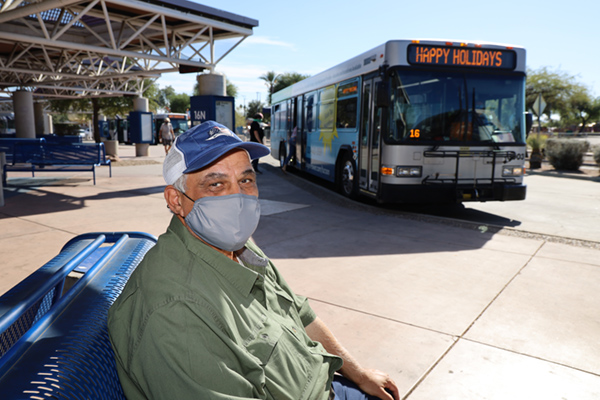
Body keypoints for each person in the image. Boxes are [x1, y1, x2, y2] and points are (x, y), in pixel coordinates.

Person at [107, 120, 399, 400]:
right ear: (175, 200)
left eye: (246, 179)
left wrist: (358, 374)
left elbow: (299, 312)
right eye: (216, 185)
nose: (239, 198)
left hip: (327, 382)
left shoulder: (241, 249)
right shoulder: (176, 312)